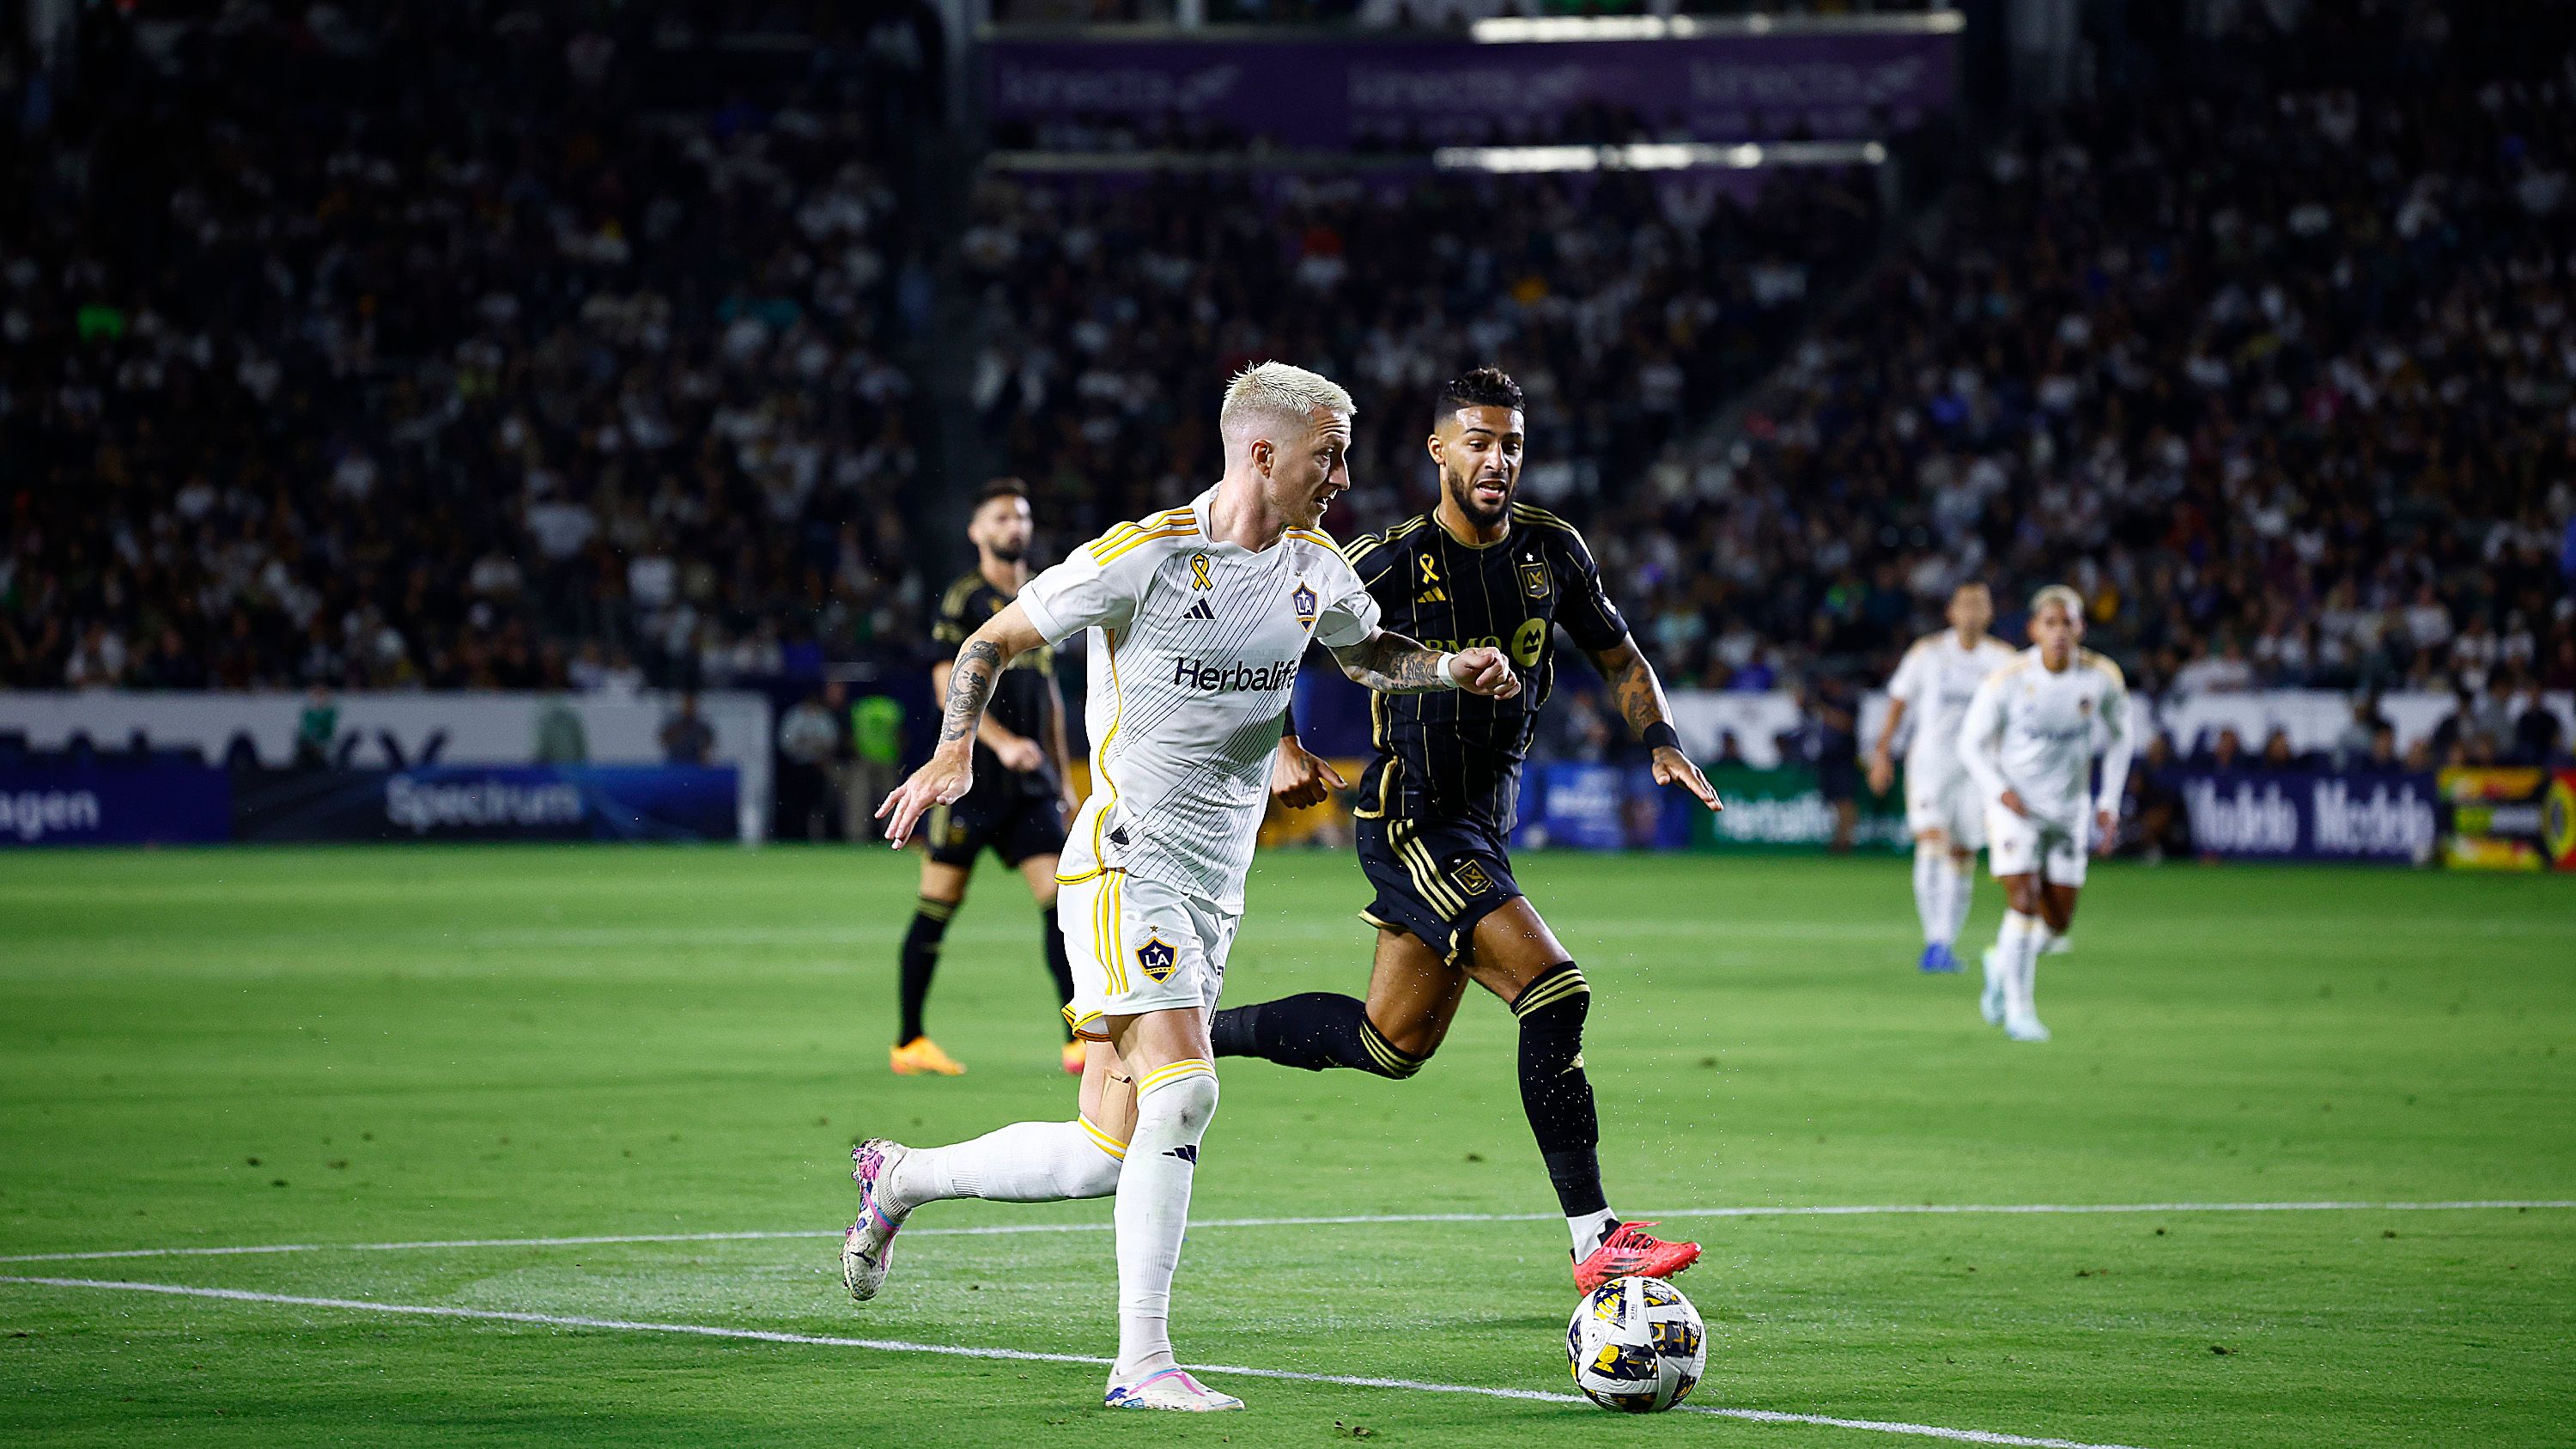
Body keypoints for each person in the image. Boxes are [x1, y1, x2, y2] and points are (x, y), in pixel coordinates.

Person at [844, 362, 1521, 1413]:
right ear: (1263, 453)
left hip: (1213, 888)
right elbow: (992, 638)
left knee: (1100, 1154)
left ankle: (897, 1178)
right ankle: (1141, 1363)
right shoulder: (1146, 557)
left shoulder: (1313, 564)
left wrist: (1446, 668)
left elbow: (1366, 649)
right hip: (1124, 859)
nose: (1344, 473)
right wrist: (954, 752)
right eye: (1328, 452)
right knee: (1190, 1086)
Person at [1209, 367, 1723, 1294]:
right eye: (1479, 441)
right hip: (1414, 819)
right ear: (1439, 449)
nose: (1497, 459)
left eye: (1512, 444)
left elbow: (1618, 652)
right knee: (1556, 989)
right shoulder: (1392, 557)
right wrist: (1282, 739)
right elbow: (1268, 632)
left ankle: (1196, 1030)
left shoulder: (1552, 551)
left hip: (1482, 825)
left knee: (1388, 1044)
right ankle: (1595, 1236)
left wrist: (1660, 738)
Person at [889, 480, 1088, 1078]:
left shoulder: (1042, 596)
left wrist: (1064, 777)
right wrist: (998, 743)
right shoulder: (966, 599)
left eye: (1021, 517)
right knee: (938, 902)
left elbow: (1049, 694)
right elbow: (945, 673)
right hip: (971, 782)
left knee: (1061, 903)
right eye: (1000, 517)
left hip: (1032, 787)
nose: (1014, 526)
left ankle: (1077, 1038)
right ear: (977, 532)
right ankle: (910, 1041)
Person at [1959, 585, 2134, 1043]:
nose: (2059, 633)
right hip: (2015, 808)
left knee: (2057, 924)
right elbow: (1970, 745)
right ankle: (2020, 1013)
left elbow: (2122, 737)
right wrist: (1999, 792)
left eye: (2067, 623)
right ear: (2034, 629)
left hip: (2069, 810)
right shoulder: (2008, 680)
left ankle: (2002, 962)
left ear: (2081, 628)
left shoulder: (2100, 677)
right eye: (2050, 624)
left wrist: (2108, 801)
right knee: (2023, 902)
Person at [1868, 583, 2019, 973]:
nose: (1971, 612)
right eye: (1964, 604)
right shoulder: (1928, 653)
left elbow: (2021, 714)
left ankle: (1944, 943)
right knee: (1931, 843)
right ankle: (1935, 942)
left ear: (1989, 614)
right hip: (1931, 764)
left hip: (1978, 768)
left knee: (1963, 854)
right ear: (1950, 612)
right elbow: (1898, 700)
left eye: (1979, 605)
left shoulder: (2004, 659)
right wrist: (1883, 751)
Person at [659, 691, 714, 765]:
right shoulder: (673, 726)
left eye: (691, 705)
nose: (688, 707)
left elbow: (709, 744)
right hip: (674, 763)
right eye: (686, 704)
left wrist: (705, 755)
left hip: (696, 765)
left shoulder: (702, 728)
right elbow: (663, 740)